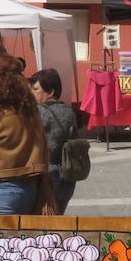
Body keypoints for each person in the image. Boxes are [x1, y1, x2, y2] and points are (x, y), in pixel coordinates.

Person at [0, 53, 54, 215]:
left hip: (2, 187)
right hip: (33, 184)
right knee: (26, 239)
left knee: (4, 239)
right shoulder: (31, 110)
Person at [29, 68, 77, 214]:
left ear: (50, 92)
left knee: (42, 227)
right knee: (57, 223)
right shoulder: (69, 111)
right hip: (68, 176)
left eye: (36, 89)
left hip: (48, 178)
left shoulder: (40, 112)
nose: (32, 93)